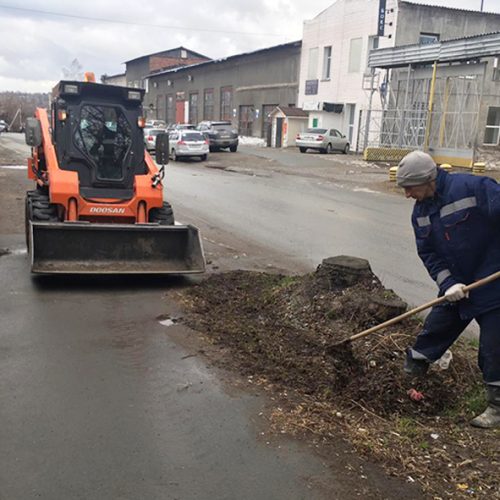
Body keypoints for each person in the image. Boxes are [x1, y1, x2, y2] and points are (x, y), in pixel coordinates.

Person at [397, 150, 500, 429]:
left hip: (492, 282)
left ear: (428, 180)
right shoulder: (420, 214)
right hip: (460, 284)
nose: (407, 194)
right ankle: (408, 378)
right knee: (435, 328)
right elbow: (429, 254)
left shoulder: (474, 188)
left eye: (409, 187)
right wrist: (448, 283)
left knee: (494, 346)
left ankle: (497, 407)